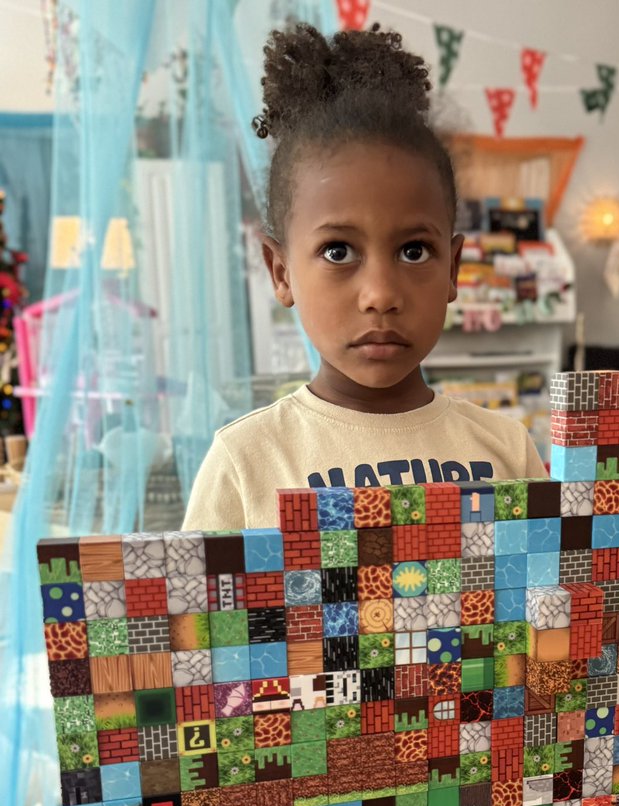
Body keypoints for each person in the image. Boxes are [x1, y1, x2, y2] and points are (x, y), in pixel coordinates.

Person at [183, 23, 544, 531]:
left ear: (453, 269)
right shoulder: (246, 463)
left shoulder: (507, 449)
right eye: (338, 251)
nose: (380, 295)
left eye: (414, 251)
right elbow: (199, 611)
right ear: (280, 271)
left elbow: (550, 595)